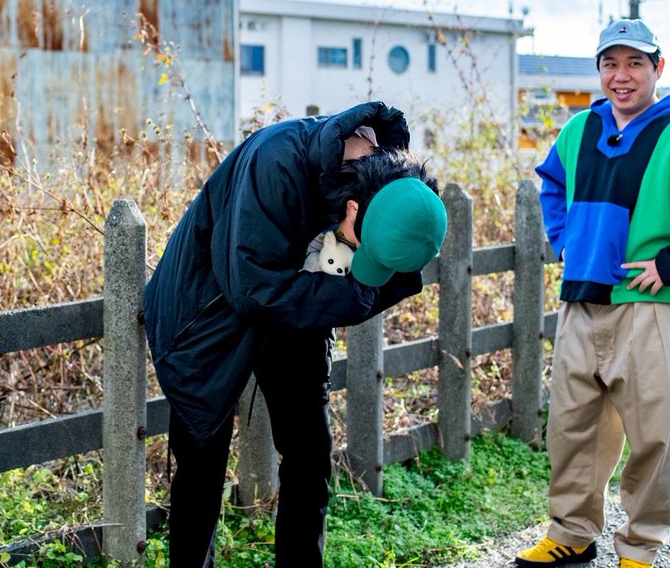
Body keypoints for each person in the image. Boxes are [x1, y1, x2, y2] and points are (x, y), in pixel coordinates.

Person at [143, 101, 448, 568]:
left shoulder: (393, 195)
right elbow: (251, 288)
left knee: (310, 455)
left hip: (298, 300)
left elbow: (372, 286)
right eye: (355, 236)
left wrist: (352, 260)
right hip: (211, 308)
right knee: (202, 461)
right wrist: (346, 271)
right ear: (350, 207)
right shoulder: (276, 161)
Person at [516, 20, 670, 568]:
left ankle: (641, 548)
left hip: (649, 305)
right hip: (582, 298)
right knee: (573, 427)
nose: (621, 76)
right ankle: (572, 534)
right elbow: (550, 184)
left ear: (657, 69)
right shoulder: (579, 129)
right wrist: (566, 240)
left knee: (652, 433)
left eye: (634, 64)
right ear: (599, 69)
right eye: (610, 64)